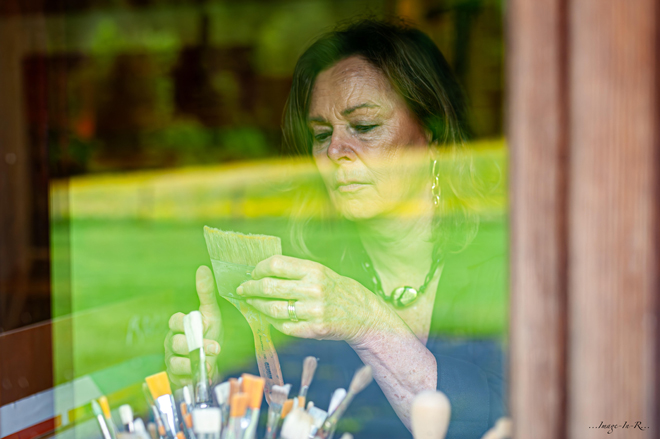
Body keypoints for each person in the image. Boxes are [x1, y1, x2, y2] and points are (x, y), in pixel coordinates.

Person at [164, 19, 507, 439]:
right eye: (321, 134)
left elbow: (518, 422)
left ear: (432, 133)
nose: (335, 152)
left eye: (364, 127)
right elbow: (269, 420)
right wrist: (204, 384)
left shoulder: (506, 266)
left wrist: (365, 320)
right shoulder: (302, 275)